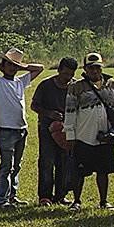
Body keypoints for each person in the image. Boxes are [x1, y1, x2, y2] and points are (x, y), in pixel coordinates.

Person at [62, 53, 114, 207]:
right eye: (91, 68)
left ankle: (103, 201)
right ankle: (77, 201)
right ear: (85, 69)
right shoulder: (76, 87)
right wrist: (70, 134)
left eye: (97, 67)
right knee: (79, 171)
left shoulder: (112, 84)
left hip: (106, 135)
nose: (94, 71)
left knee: (103, 171)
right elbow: (70, 111)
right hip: (83, 135)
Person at [0, 49, 43, 208]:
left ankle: (12, 195)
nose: (12, 68)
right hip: (6, 129)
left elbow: (39, 68)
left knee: (16, 166)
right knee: (7, 165)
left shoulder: (20, 81)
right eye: (9, 65)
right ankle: (1, 199)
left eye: (15, 65)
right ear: (3, 65)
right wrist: (0, 65)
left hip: (21, 129)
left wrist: (21, 66)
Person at [30, 58, 74, 205]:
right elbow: (34, 106)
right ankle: (45, 196)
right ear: (59, 70)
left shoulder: (74, 86)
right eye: (65, 73)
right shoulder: (46, 85)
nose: (67, 78)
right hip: (47, 129)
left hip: (67, 129)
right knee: (47, 162)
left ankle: (61, 195)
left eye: (70, 74)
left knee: (64, 162)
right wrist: (49, 114)